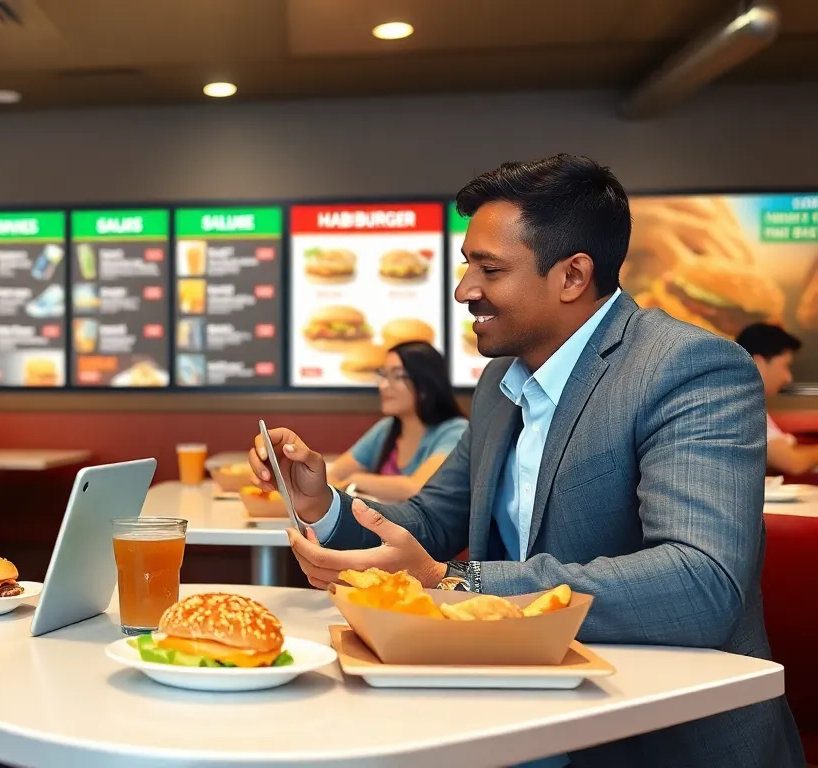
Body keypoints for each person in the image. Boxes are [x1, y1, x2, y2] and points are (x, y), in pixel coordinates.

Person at [249, 155, 803, 768]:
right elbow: (430, 521)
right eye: (467, 267)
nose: (464, 291)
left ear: (571, 276)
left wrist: (455, 585)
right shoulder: (498, 383)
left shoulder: (688, 367)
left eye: (489, 269)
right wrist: (323, 504)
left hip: (656, 736)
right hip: (522, 715)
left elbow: (701, 583)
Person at [326, 341, 467, 502]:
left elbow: (418, 487)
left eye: (398, 376)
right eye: (383, 375)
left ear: (426, 386)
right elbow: (332, 476)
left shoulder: (455, 430)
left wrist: (356, 480)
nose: (383, 385)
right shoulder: (386, 429)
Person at [735, 322, 818, 476]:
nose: (788, 377)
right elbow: (793, 463)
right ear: (757, 362)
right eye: (785, 366)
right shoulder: (738, 405)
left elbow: (784, 450)